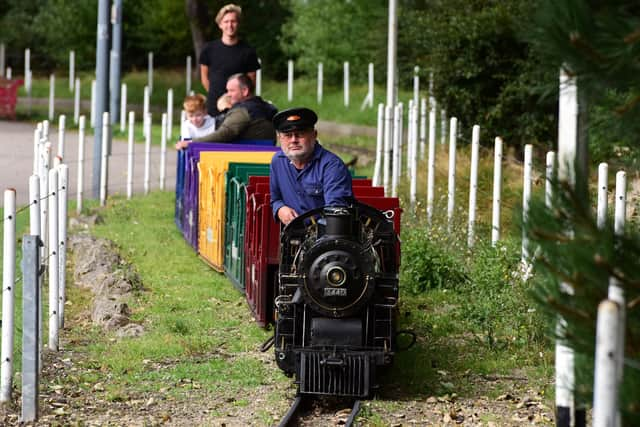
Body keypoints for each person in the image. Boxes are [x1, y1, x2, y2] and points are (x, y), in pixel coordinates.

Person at [269, 107, 354, 225]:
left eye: (300, 134)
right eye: (288, 135)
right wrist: (280, 209)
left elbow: (335, 213)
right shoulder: (277, 161)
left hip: (324, 237)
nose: (294, 140)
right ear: (280, 138)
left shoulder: (332, 167)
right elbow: (275, 199)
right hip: (291, 236)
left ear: (314, 135)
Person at [200, 3, 260, 117]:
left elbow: (251, 82)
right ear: (220, 24)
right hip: (214, 106)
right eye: (226, 22)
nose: (230, 25)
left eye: (233, 21)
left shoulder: (248, 51)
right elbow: (204, 77)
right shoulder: (209, 49)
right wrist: (218, 97)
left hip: (239, 106)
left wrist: (237, 99)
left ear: (238, 24)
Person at [189, 73, 277, 144]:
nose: (228, 94)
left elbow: (224, 134)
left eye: (231, 91)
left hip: (244, 157)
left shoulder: (243, 110)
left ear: (245, 91)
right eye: (227, 91)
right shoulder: (263, 106)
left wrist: (192, 142)